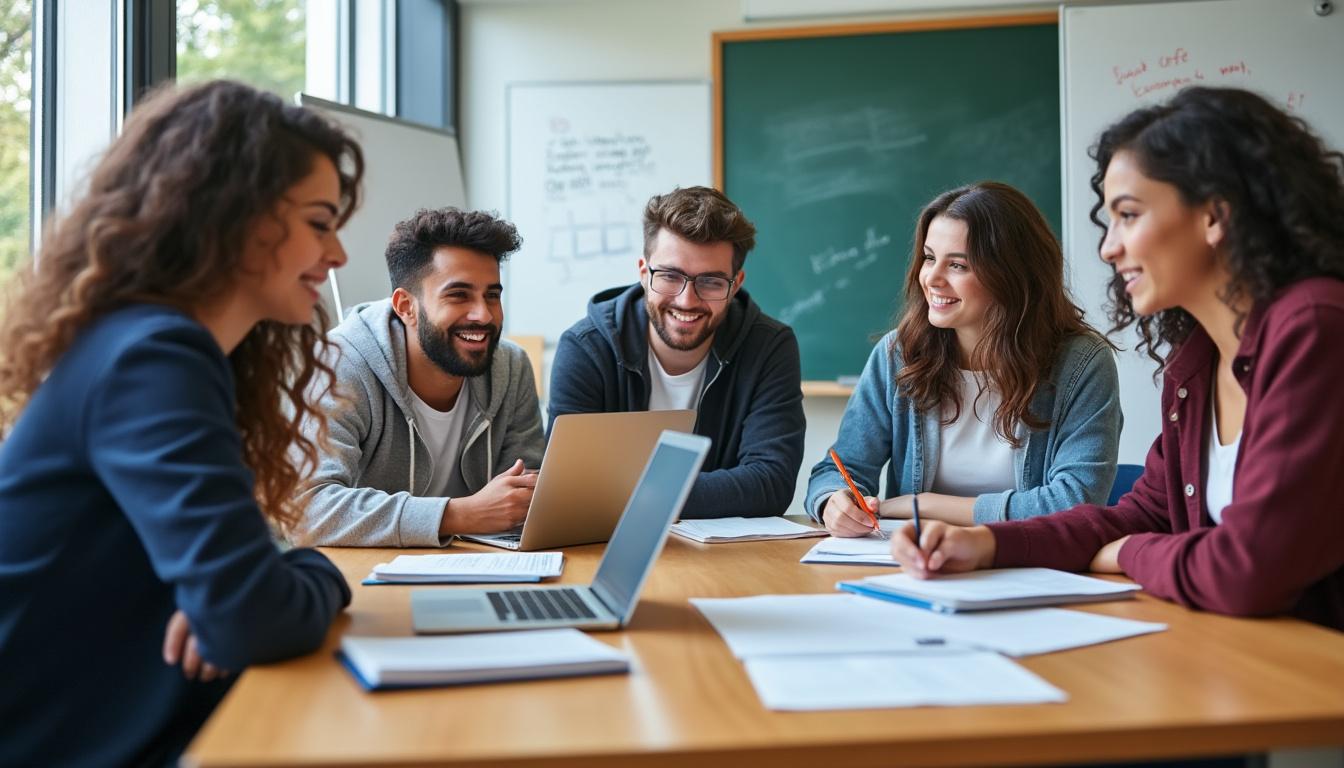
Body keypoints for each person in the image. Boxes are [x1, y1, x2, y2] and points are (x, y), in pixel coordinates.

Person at [892, 87, 1344, 631]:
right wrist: (986, 544)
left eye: (1128, 215)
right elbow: (1143, 515)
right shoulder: (1196, 358)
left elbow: (1246, 570)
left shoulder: (1315, 326)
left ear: (1214, 214)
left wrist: (1128, 553)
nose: (1108, 248)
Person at [0, 80, 357, 766]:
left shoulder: (148, 347)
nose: (337, 255)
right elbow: (252, 616)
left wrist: (240, 596)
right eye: (319, 222)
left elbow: (237, 601)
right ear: (232, 214)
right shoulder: (152, 356)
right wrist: (319, 572)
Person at [807, 182, 1123, 536]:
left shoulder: (1082, 364)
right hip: (917, 565)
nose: (932, 279)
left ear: (1012, 276)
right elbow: (838, 470)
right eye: (929, 258)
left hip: (1029, 564)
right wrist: (833, 500)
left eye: (957, 265)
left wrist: (922, 504)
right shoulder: (898, 354)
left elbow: (1075, 504)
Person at [548, 186, 805, 519]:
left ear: (736, 284)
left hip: (720, 560)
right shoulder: (586, 347)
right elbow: (567, 486)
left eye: (711, 281)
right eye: (670, 276)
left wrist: (621, 493)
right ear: (643, 272)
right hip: (604, 549)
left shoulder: (770, 347)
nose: (687, 301)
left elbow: (771, 483)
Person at [293, 208, 544, 547]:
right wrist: (458, 514)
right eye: (459, 295)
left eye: (492, 295)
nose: (483, 314)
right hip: (371, 578)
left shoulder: (511, 367)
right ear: (405, 306)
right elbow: (307, 511)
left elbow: (527, 496)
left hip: (480, 567)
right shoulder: (341, 364)